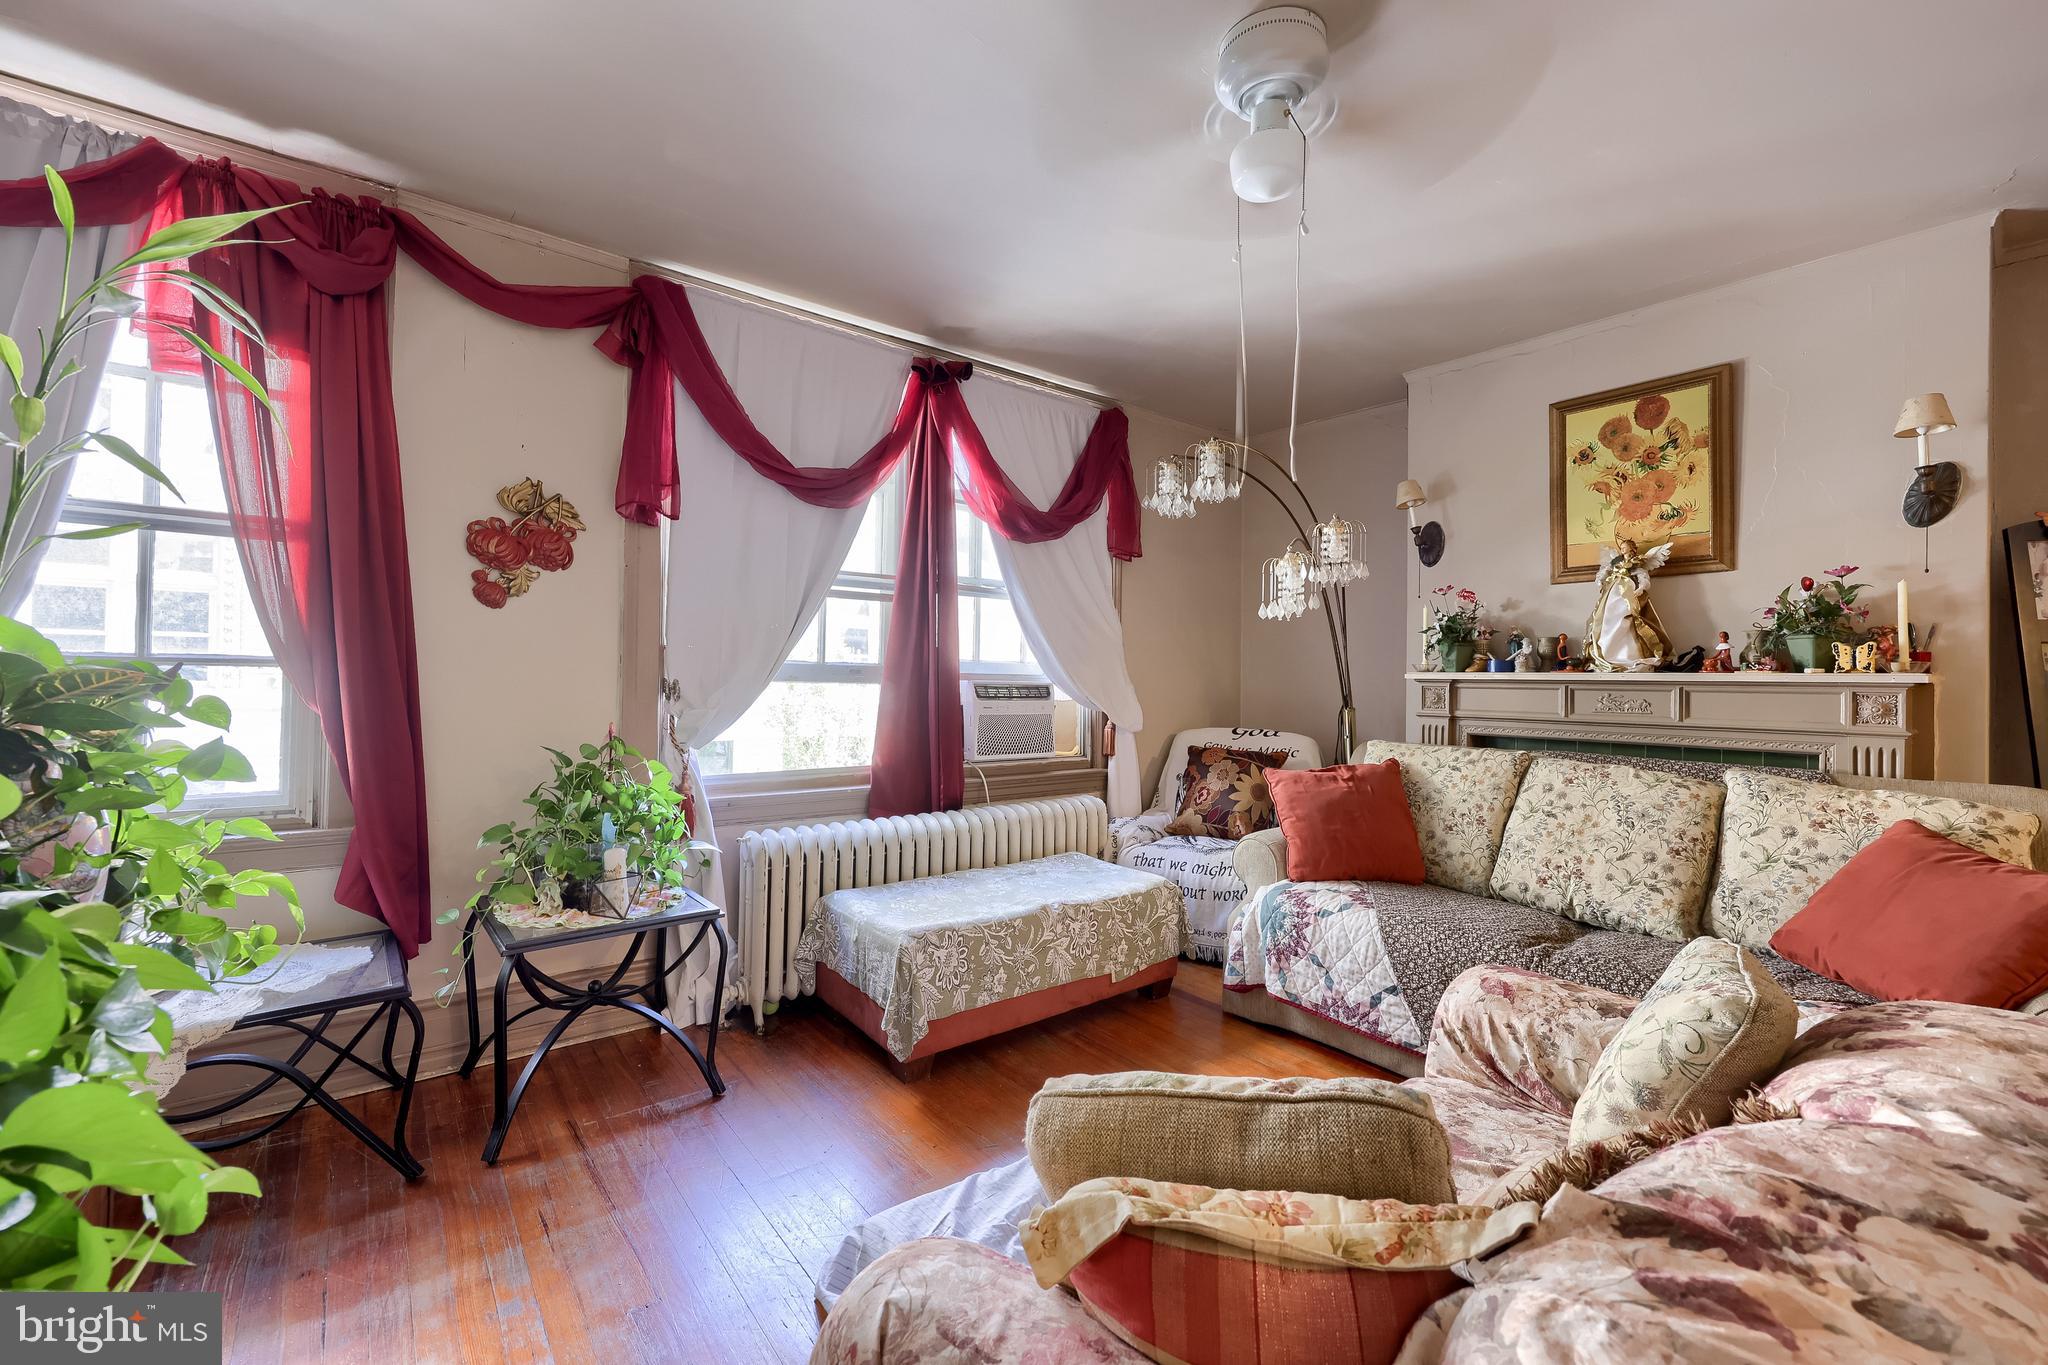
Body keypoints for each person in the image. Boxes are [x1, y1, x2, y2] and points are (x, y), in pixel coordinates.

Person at [1584, 538, 1674, 672]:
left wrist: (1641, 588)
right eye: (1621, 547)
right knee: (1606, 618)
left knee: (1625, 619)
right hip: (1612, 591)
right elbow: (1604, 572)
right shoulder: (1616, 561)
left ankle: (1629, 654)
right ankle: (1607, 653)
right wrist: (1600, 581)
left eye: (1625, 547)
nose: (1622, 549)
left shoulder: (1637, 562)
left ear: (1631, 549)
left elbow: (1643, 577)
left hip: (1626, 592)